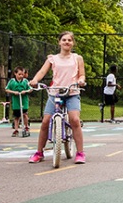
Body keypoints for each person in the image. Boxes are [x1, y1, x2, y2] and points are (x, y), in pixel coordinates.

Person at [28, 31, 86, 163]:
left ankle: (80, 153)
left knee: (75, 120)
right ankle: (39, 152)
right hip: (55, 93)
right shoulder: (52, 59)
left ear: (73, 43)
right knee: (45, 121)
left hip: (72, 92)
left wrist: (81, 80)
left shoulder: (77, 58)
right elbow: (42, 72)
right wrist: (35, 80)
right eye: (64, 40)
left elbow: (82, 74)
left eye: (69, 40)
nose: (66, 42)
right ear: (59, 42)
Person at [5, 67, 32, 137]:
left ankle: (26, 127)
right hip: (16, 102)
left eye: (22, 74)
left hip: (24, 101)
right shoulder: (12, 81)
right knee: (16, 116)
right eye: (19, 74)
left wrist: (25, 91)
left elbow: (31, 89)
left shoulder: (25, 81)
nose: (21, 76)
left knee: (25, 114)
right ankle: (16, 130)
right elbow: (7, 89)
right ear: (15, 73)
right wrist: (13, 92)